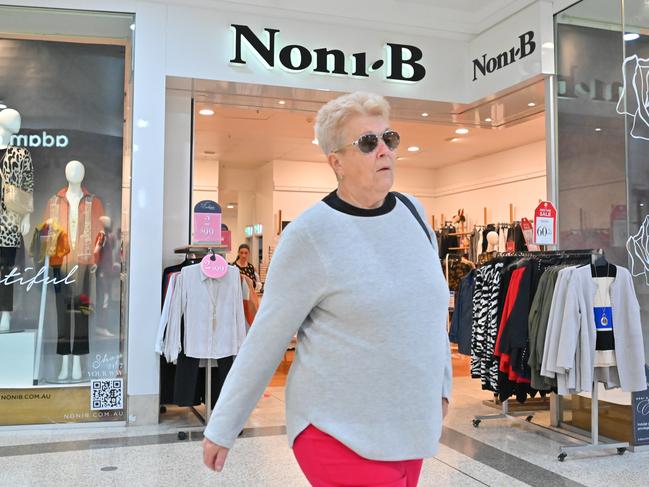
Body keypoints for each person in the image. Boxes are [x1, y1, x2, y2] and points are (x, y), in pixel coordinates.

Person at [203, 91, 452, 487]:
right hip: (338, 432)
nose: (384, 150)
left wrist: (442, 389)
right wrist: (223, 426)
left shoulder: (414, 213)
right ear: (336, 161)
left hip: (411, 430)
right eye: (368, 143)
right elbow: (267, 336)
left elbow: (431, 312)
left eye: (389, 138)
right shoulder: (310, 234)